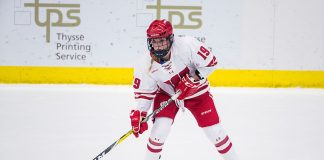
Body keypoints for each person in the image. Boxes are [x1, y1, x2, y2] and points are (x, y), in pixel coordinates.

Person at [129, 19, 238, 160]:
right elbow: (145, 92)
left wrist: (194, 78)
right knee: (159, 132)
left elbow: (211, 63)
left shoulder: (188, 45)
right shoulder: (144, 63)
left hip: (198, 94)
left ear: (171, 39)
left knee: (215, 133)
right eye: (154, 41)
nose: (158, 46)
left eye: (162, 41)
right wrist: (141, 113)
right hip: (167, 95)